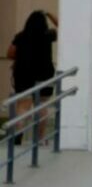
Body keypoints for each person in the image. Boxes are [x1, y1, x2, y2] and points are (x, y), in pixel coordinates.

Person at [6, 10, 58, 145]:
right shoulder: (48, 35)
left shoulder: (21, 36)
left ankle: (17, 135)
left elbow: (10, 53)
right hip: (45, 75)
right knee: (41, 106)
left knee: (23, 106)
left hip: (24, 74)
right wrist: (49, 14)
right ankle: (39, 139)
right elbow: (64, 27)